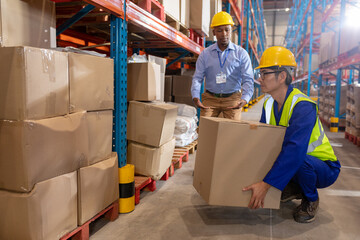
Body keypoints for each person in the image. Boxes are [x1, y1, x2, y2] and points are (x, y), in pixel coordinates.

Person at [243, 46, 341, 223]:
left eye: (265, 73)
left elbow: (294, 151)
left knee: (298, 159)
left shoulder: (303, 106)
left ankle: (311, 199)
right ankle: (294, 185)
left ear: (282, 77)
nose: (260, 78)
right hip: (299, 162)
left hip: (322, 167)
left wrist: (266, 185)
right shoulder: (268, 105)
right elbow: (264, 143)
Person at [191, 11, 254, 120]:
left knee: (231, 132)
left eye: (227, 30)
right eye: (219, 30)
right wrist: (195, 96)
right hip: (211, 99)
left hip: (232, 99)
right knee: (206, 130)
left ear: (231, 30)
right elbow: (197, 78)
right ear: (214, 32)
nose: (224, 34)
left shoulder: (241, 54)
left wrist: (245, 99)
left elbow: (248, 79)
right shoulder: (205, 54)